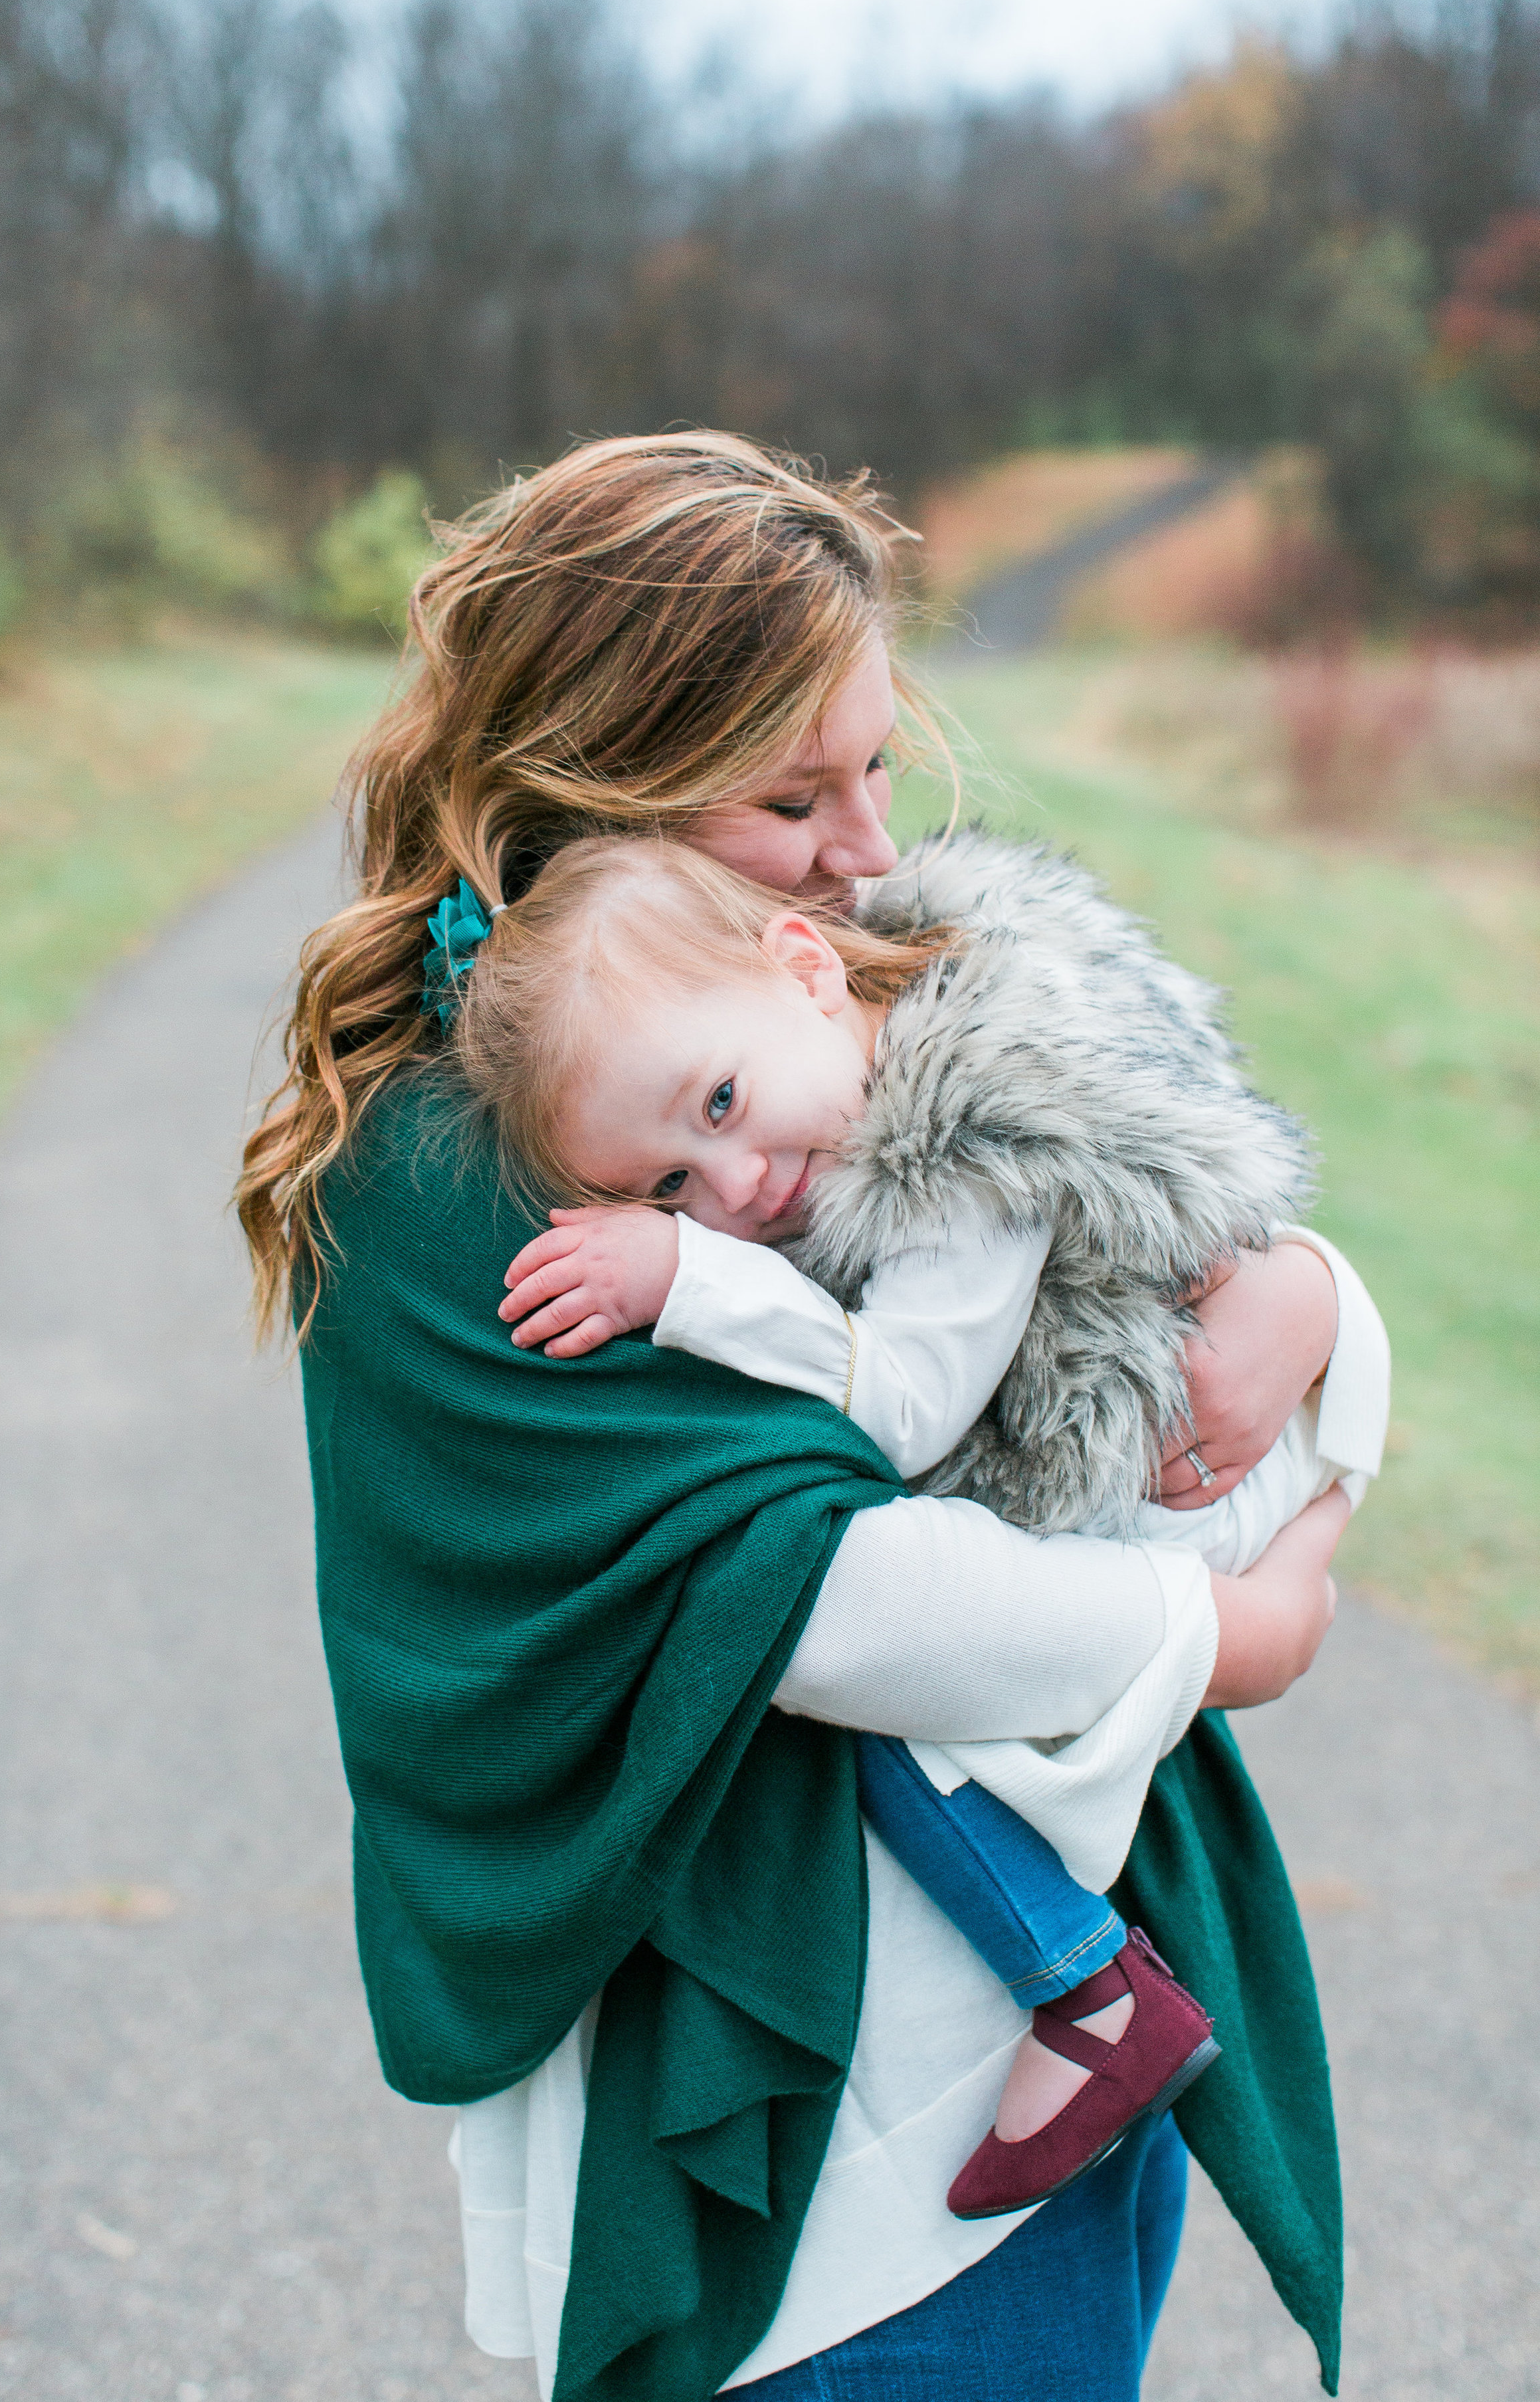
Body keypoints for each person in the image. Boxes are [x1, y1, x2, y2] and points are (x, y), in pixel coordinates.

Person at [236, 431, 1349, 2402]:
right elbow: (812, 1587)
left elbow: (1126, 1248)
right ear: (602, 779)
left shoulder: (802, 995)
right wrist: (1223, 1629)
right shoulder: (477, 1150)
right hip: (833, 2143)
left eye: (873, 765)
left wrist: (1318, 1310)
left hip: (1067, 2045)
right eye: (786, 790)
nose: (861, 844)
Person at [450, 826, 1390, 2222]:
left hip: (1167, 1485)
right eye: (665, 1187)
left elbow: (895, 1414)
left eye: (717, 1105)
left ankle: (1080, 1983)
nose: (737, 1191)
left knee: (851, 1636)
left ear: (806, 968)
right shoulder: (825, 1087)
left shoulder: (956, 1141)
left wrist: (685, 1277)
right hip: (1164, 1469)